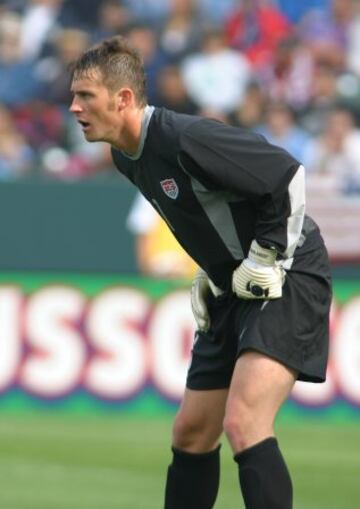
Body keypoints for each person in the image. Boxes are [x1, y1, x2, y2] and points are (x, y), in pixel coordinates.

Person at [69, 36, 332, 509]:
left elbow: (286, 175)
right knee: (191, 432)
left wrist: (267, 255)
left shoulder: (184, 137)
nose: (74, 107)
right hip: (233, 282)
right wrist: (212, 269)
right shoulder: (125, 156)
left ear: (123, 98)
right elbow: (204, 210)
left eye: (85, 95)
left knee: (244, 422)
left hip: (288, 270)